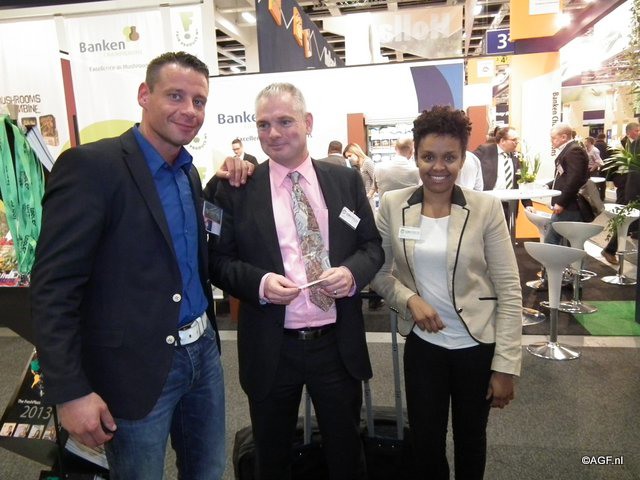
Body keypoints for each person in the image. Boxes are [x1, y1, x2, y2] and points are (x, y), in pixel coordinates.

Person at [31, 51, 250, 479]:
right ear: (144, 95)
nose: (189, 110)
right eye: (175, 96)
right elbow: (53, 287)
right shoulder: (92, 167)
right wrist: (70, 391)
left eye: (199, 101)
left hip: (203, 354)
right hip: (133, 366)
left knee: (207, 471)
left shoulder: (187, 173)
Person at [209, 82, 384, 479]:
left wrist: (351, 273)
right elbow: (217, 262)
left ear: (308, 123)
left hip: (336, 345)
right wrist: (259, 284)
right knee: (271, 458)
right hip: (272, 348)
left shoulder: (344, 181)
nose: (273, 133)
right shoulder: (237, 189)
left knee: (346, 454)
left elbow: (372, 246)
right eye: (263, 124)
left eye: (285, 121)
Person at [370, 105, 522, 479]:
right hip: (425, 348)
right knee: (426, 443)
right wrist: (409, 299)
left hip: (476, 346)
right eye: (429, 157)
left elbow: (509, 289)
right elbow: (378, 273)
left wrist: (506, 366)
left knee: (471, 439)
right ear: (416, 157)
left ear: (462, 158)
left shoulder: (485, 208)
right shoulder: (393, 205)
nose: (438, 167)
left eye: (449, 158)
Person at [544, 122, 590, 245]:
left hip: (571, 205)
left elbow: (574, 179)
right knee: (568, 242)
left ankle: (553, 259)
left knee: (551, 240)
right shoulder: (569, 150)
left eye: (553, 138)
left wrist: (561, 203)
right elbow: (564, 176)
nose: (551, 141)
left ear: (564, 137)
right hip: (568, 204)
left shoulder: (573, 150)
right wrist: (549, 185)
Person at [473, 126, 520, 191]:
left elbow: (519, 178)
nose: (517, 142)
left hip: (511, 196)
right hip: (489, 195)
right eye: (514, 140)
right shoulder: (485, 150)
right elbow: (471, 164)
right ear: (502, 141)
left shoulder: (516, 156)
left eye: (517, 140)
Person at [344, 142, 376, 207]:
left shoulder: (367, 162)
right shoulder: (358, 165)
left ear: (356, 152)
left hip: (368, 199)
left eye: (350, 156)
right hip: (362, 198)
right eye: (347, 157)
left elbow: (376, 179)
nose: (349, 159)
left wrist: (370, 194)